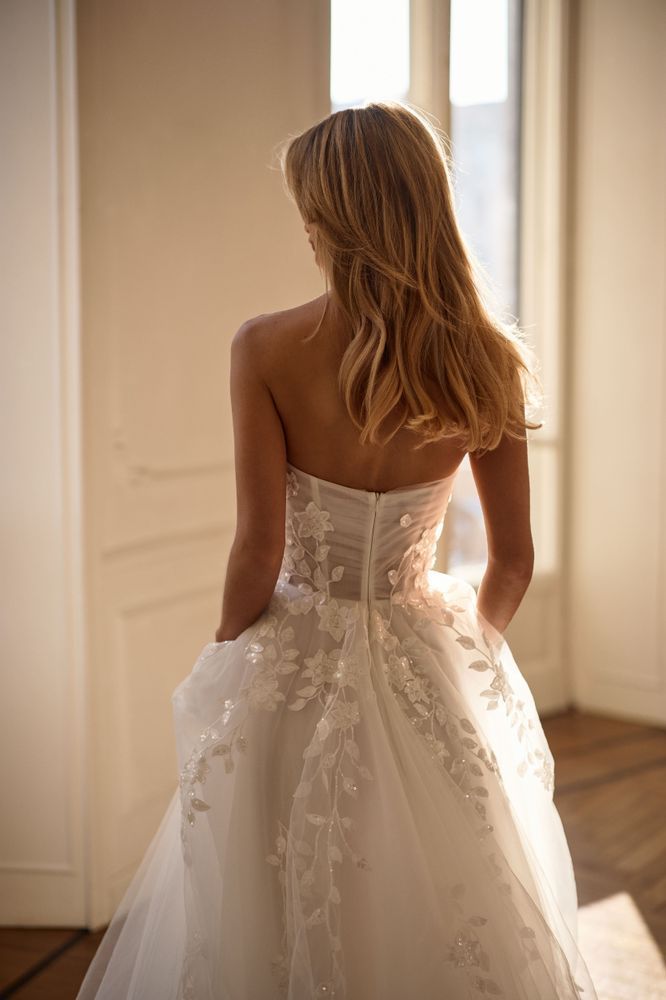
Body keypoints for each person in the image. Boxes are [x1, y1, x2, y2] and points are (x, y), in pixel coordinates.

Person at [76, 101, 597, 999]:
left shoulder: (267, 347)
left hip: (296, 661)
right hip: (424, 649)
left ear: (333, 220)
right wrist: (464, 656)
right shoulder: (484, 361)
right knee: (441, 896)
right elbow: (513, 560)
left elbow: (258, 545)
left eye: (307, 212)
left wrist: (229, 650)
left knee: (273, 896)